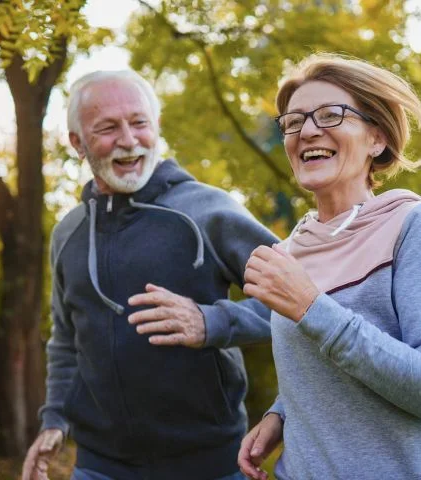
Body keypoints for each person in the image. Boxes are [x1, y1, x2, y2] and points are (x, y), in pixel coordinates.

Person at [21, 69, 277, 480]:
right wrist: (54, 419)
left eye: (139, 123)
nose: (128, 139)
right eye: (107, 128)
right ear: (77, 142)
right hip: (98, 467)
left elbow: (302, 302)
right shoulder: (68, 233)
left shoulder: (206, 210)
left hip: (209, 465)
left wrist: (212, 321)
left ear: (155, 127)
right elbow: (67, 339)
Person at [237, 53, 421, 479]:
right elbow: (323, 368)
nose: (308, 131)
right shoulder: (290, 251)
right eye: (293, 122)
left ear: (376, 139)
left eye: (330, 115)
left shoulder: (416, 226)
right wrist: (283, 413)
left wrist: (311, 306)